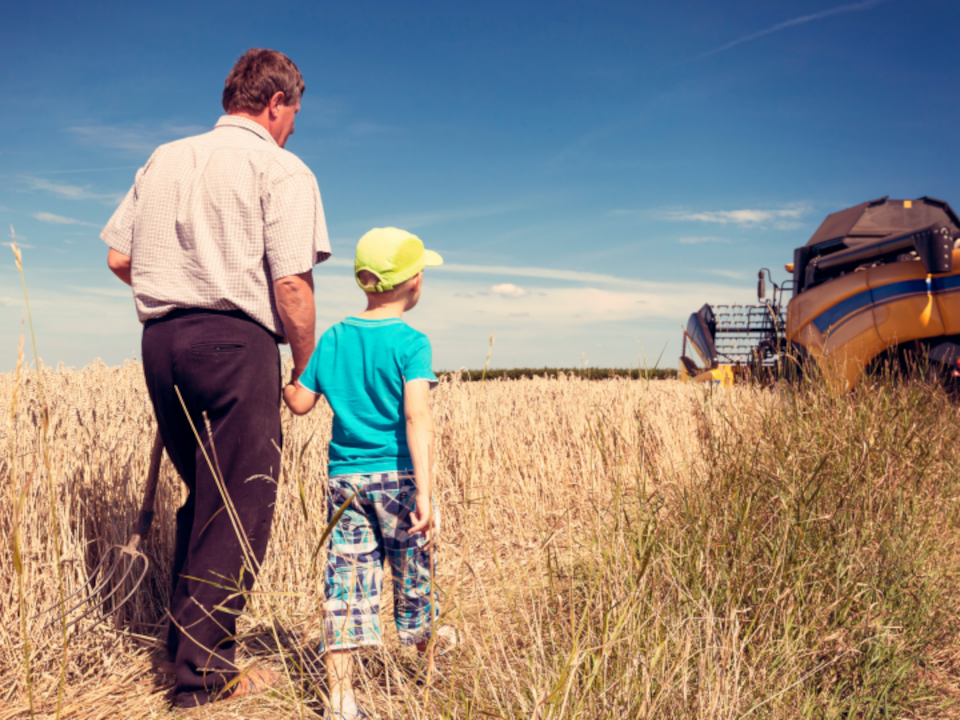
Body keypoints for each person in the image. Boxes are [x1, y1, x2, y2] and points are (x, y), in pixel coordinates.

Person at [101, 48, 330, 708]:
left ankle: (182, 650)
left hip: (161, 342)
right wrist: (304, 365)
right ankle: (204, 676)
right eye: (294, 115)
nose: (292, 127)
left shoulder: (164, 156)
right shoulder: (280, 167)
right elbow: (290, 281)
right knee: (239, 504)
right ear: (276, 104)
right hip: (235, 341)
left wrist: (174, 286)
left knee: (205, 497)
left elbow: (122, 256)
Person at [283, 227, 446, 720]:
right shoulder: (411, 342)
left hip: (345, 483)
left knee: (347, 580)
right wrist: (426, 491)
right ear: (414, 283)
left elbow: (300, 404)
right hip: (397, 479)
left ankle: (340, 699)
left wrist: (286, 373)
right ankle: (427, 667)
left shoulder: (332, 338)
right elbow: (417, 416)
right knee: (414, 570)